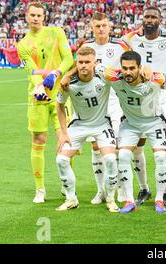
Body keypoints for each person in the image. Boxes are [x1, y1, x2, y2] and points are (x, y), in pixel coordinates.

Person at [122, 7, 166, 206]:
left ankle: (164, 192)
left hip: (164, 96)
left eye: (153, 17)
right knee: (137, 145)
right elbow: (120, 50)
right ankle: (143, 189)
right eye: (146, 17)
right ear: (142, 19)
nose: (149, 20)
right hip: (140, 97)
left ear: (160, 20)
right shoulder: (132, 39)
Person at [95, 50, 166, 214]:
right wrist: (66, 77)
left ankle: (159, 199)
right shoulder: (114, 77)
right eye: (125, 68)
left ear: (139, 67)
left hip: (154, 121)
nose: (128, 72)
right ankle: (129, 200)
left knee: (160, 156)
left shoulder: (153, 78)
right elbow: (93, 64)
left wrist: (152, 71)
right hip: (130, 123)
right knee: (122, 156)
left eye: (132, 68)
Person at [16, 2, 74, 203]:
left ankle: (66, 185)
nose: (35, 18)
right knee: (39, 140)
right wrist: (40, 86)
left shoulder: (56, 32)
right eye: (32, 14)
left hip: (61, 94)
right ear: (26, 16)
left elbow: (69, 59)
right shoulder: (22, 44)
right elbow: (31, 70)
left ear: (44, 17)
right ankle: (40, 189)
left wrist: (56, 73)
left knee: (64, 139)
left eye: (38, 15)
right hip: (37, 97)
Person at [55, 47, 118, 212]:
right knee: (61, 160)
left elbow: (120, 75)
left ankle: (110, 199)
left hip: (102, 124)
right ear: (76, 63)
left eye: (87, 62)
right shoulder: (68, 83)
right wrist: (62, 133)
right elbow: (59, 106)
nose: (83, 66)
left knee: (111, 159)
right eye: (80, 62)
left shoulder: (103, 76)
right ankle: (71, 199)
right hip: (79, 125)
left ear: (95, 63)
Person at [81, 12, 130, 205]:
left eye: (103, 25)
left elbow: (129, 67)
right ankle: (100, 190)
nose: (101, 29)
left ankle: (118, 188)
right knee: (95, 146)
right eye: (97, 26)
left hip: (115, 101)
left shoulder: (120, 46)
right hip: (93, 102)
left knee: (115, 146)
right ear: (92, 28)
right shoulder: (86, 47)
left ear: (109, 27)